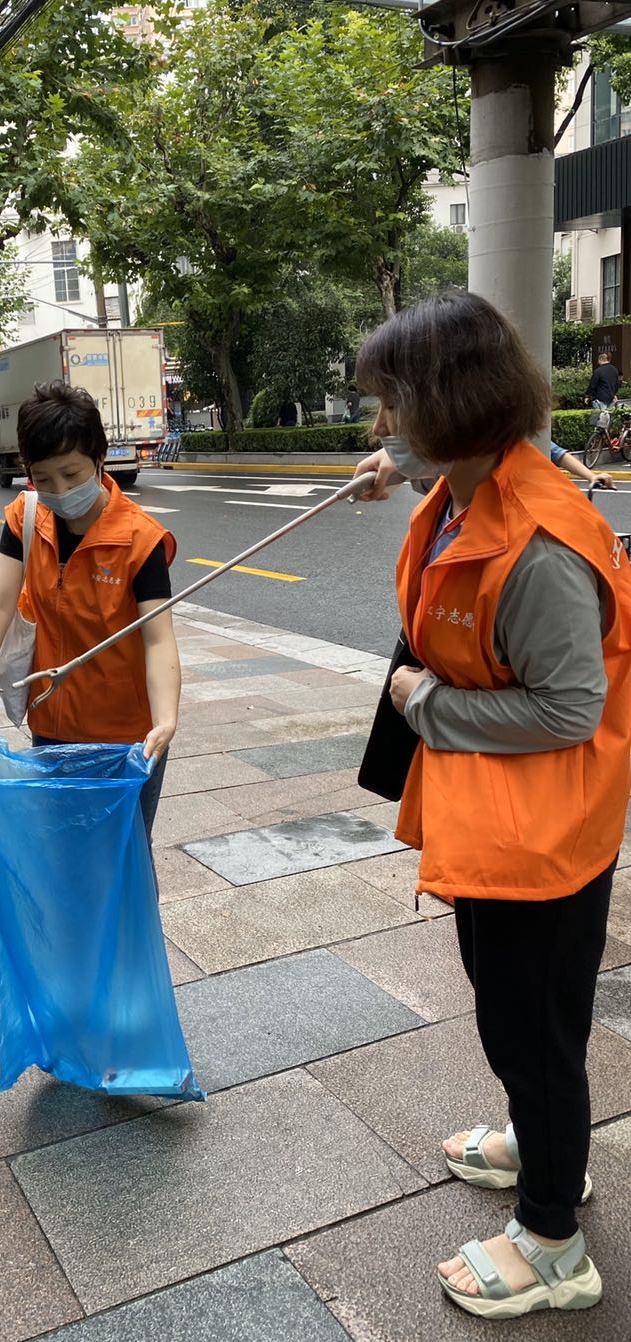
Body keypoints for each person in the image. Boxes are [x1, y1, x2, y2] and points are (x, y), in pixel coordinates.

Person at [352, 291, 631, 1320]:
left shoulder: (540, 549)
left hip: (544, 836)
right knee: (515, 1011)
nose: (381, 423)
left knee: (534, 1031)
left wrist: (424, 701)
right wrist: (403, 471)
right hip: (502, 817)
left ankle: (554, 1242)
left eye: (393, 403)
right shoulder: (476, 480)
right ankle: (542, 1141)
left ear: (448, 406)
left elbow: (568, 707)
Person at [0, 381, 180, 844]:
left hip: (127, 738)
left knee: (122, 859)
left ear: (99, 458)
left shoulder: (140, 540)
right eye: (43, 479)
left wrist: (165, 719)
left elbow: (158, 638)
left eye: (70, 474)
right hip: (52, 728)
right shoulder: (25, 520)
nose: (59, 491)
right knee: (62, 853)